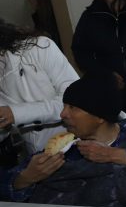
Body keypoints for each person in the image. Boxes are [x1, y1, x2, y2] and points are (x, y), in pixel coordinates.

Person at [0, 75, 126, 207]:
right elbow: (5, 185)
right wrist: (25, 179)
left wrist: (116, 155)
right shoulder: (65, 148)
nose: (62, 114)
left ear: (99, 116)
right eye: (64, 106)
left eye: (73, 108)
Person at [0, 19, 79, 155]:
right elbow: (4, 130)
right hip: (39, 157)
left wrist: (15, 113)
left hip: (77, 143)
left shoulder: (39, 47)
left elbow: (76, 102)